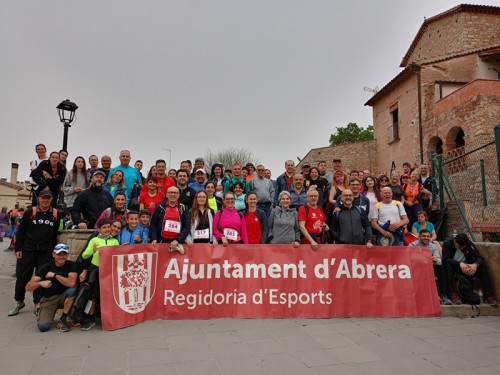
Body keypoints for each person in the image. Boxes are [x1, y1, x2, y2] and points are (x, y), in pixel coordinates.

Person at [8, 190, 62, 317]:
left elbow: (55, 235)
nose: (45, 200)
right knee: (23, 276)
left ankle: (37, 303)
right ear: (38, 198)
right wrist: (18, 249)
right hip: (28, 250)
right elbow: (20, 232)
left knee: (41, 277)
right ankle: (19, 301)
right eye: (43, 198)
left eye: (48, 198)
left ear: (51, 199)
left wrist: (54, 251)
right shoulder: (30, 212)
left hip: (46, 251)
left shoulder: (55, 214)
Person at [25, 244, 77, 332]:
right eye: (58, 254)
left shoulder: (72, 265)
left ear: (67, 255)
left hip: (63, 297)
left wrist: (55, 275)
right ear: (53, 254)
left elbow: (72, 283)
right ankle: (41, 310)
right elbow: (28, 287)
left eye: (64, 254)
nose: (61, 257)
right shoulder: (45, 267)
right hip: (49, 299)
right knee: (43, 327)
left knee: (73, 291)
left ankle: (63, 318)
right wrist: (40, 283)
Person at [81, 220, 120, 330]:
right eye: (104, 227)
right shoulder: (94, 240)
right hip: (96, 270)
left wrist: (123, 248)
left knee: (108, 295)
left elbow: (118, 255)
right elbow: (84, 255)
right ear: (99, 230)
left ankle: (109, 318)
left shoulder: (115, 241)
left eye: (108, 227)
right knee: (93, 296)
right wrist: (92, 251)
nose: (107, 229)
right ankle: (91, 319)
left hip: (109, 270)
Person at [442, 233, 498, 306]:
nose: (462, 248)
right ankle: (453, 295)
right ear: (455, 241)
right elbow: (445, 260)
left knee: (482, 267)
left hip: (468, 269)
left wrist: (475, 265)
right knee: (447, 266)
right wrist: (459, 264)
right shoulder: (447, 244)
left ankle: (489, 296)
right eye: (460, 246)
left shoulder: (469, 244)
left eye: (464, 247)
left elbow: (479, 257)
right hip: (455, 271)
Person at [409, 229, 452, 305]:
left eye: (428, 236)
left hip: (430, 267)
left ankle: (444, 295)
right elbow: (408, 257)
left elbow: (439, 261)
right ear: (419, 237)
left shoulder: (433, 246)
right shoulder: (413, 245)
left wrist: (435, 260)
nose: (426, 238)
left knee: (441, 268)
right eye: (424, 236)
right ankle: (436, 296)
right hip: (417, 268)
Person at [150, 186, 190, 254]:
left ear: (179, 195)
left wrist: (178, 240)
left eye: (175, 193)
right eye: (170, 192)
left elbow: (187, 226)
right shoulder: (160, 207)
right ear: (166, 194)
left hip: (178, 243)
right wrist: (154, 238)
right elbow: (153, 224)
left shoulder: (184, 208)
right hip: (162, 241)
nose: (173, 194)